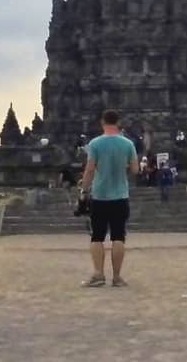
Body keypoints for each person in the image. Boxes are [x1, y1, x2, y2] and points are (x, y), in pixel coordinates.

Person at [79, 109, 138, 288]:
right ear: (118, 123)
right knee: (118, 236)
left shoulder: (95, 144)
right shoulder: (128, 144)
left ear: (102, 123)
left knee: (97, 237)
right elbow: (135, 170)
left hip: (99, 196)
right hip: (120, 196)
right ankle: (117, 277)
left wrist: (84, 190)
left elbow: (89, 170)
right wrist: (124, 165)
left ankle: (98, 274)